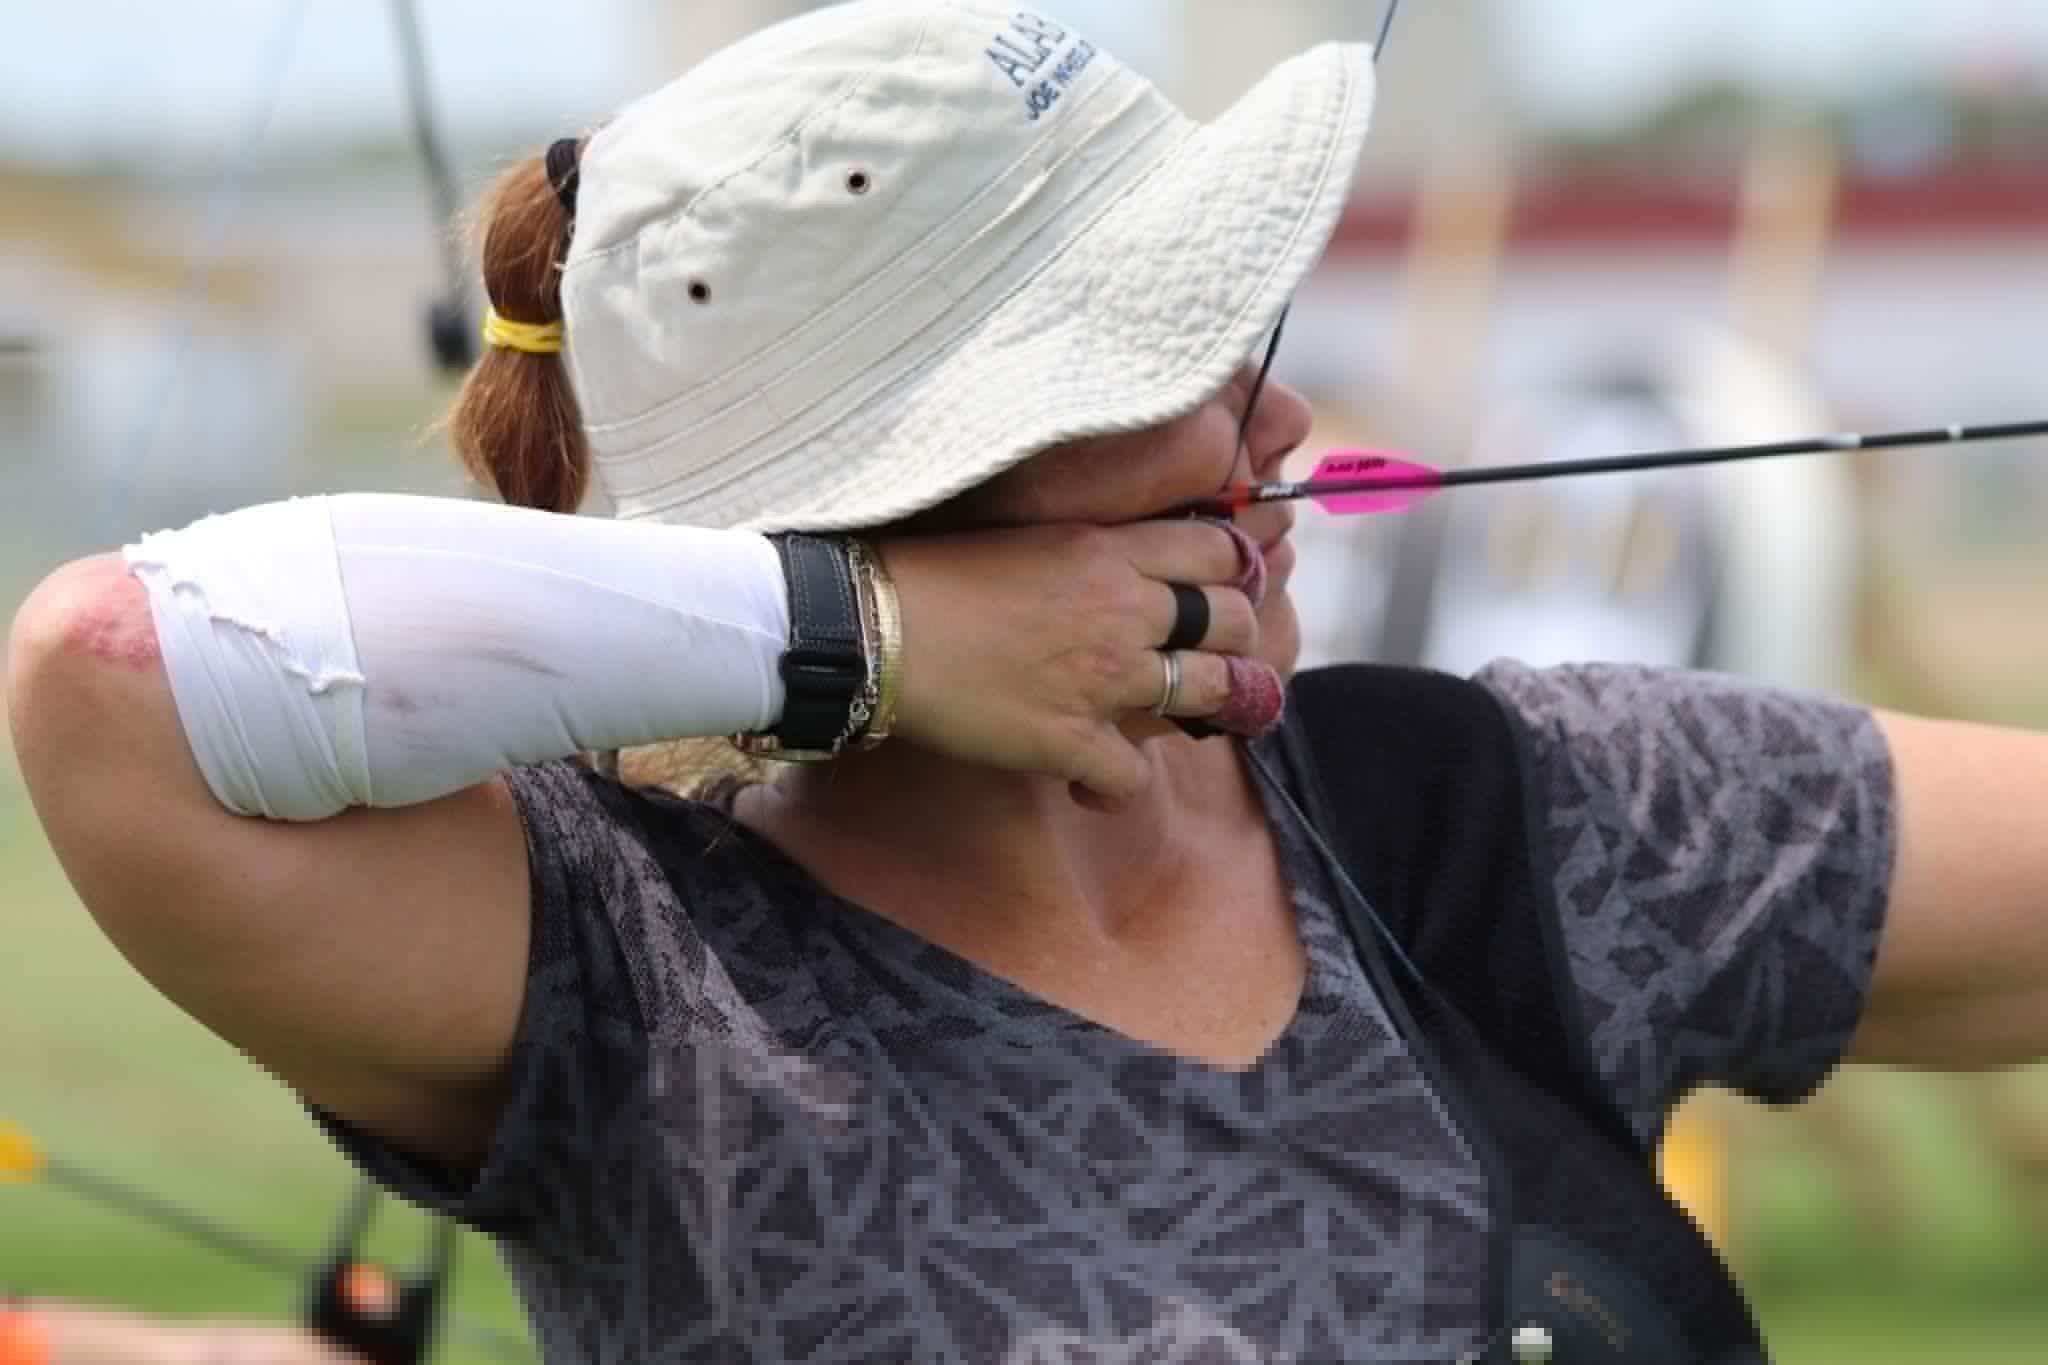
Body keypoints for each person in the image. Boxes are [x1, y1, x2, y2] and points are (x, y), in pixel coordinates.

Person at [7, 3, 2045, 1361]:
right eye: (1189, 368)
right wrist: (873, 640)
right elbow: (115, 664)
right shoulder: (635, 968)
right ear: (923, 482)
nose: (1293, 421)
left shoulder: (1525, 806)